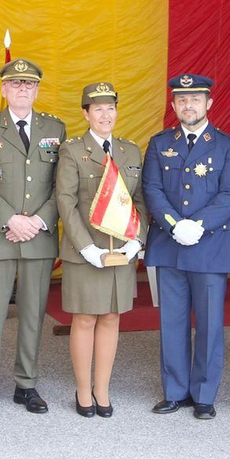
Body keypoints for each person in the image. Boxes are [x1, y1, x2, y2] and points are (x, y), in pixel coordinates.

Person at [142, 73, 230, 419]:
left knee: (210, 323)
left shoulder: (227, 145)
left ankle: (203, 395)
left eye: (196, 99)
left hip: (209, 245)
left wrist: (197, 224)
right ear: (174, 105)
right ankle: (174, 391)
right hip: (170, 244)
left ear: (208, 104)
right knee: (171, 321)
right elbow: (152, 190)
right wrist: (175, 224)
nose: (189, 105)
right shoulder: (159, 143)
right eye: (182, 100)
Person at [0, 58, 65, 416]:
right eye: (16, 83)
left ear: (37, 90)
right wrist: (9, 219)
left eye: (29, 84)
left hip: (38, 236)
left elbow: (61, 185)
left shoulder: (55, 126)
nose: (23, 88)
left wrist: (37, 221)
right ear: (4, 89)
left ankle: (27, 384)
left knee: (32, 315)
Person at [54, 82, 146, 417]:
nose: (105, 115)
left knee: (110, 317)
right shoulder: (72, 150)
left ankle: (102, 389)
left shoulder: (130, 151)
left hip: (121, 251)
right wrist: (86, 247)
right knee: (84, 319)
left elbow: (139, 200)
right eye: (98, 109)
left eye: (110, 108)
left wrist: (138, 239)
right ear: (86, 114)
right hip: (86, 252)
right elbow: (66, 202)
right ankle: (82, 391)